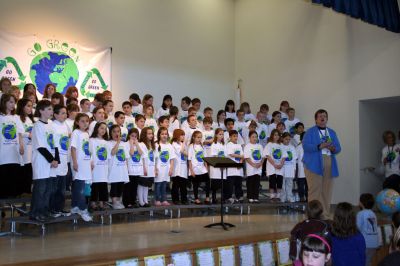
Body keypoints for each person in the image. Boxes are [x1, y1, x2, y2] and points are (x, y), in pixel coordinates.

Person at [303, 109, 341, 216]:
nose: (322, 118)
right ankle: (313, 214)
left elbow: (338, 148)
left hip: (329, 162)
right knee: (315, 190)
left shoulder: (332, 132)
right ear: (316, 120)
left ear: (327, 119)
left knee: (327, 190)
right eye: (320, 116)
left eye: (324, 116)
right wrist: (320, 146)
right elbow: (306, 146)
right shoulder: (310, 132)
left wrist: (333, 148)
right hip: (314, 163)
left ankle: (325, 213)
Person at [29, 100, 55, 222]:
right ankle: (35, 212)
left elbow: (53, 144)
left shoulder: (50, 124)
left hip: (50, 163)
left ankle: (44, 211)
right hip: (41, 162)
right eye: (49, 109)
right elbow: (40, 146)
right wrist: (51, 160)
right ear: (41, 111)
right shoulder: (37, 126)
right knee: (40, 189)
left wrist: (56, 160)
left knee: (48, 190)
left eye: (51, 109)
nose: (51, 111)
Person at [0, 94, 24, 199]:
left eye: (14, 102)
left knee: (13, 177)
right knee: (3, 178)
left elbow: (19, 133)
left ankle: (11, 203)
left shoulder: (16, 118)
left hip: (14, 152)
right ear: (4, 102)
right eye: (10, 102)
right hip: (3, 153)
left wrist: (21, 146)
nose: (12, 104)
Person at [70, 113, 93, 222]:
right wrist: (74, 162)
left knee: (80, 188)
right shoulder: (76, 133)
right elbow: (73, 148)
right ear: (77, 122)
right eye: (82, 121)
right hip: (78, 164)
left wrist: (90, 162)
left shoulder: (86, 134)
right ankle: (83, 209)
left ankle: (75, 206)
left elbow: (87, 150)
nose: (85, 123)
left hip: (85, 164)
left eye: (87, 121)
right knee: (80, 189)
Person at [49, 105, 71, 217]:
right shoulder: (52, 125)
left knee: (62, 189)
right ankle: (52, 209)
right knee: (54, 188)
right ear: (55, 114)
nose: (65, 115)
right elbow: (51, 143)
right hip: (56, 160)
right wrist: (54, 158)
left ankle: (59, 208)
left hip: (64, 159)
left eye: (65, 113)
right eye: (62, 113)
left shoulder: (65, 126)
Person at [330, 202, 366, 266]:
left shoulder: (331, 235)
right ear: (353, 218)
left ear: (336, 217)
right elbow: (362, 257)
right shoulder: (359, 236)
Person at [108, 125, 130, 209]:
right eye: (114, 131)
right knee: (114, 185)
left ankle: (118, 200)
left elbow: (126, 157)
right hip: (114, 169)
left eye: (118, 131)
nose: (116, 133)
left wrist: (127, 169)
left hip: (122, 169)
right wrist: (118, 142)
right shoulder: (109, 143)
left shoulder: (124, 144)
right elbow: (113, 152)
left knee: (120, 185)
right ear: (110, 133)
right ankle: (114, 201)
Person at [89, 122, 109, 211]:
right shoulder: (92, 140)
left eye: (105, 129)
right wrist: (91, 162)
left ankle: (102, 202)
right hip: (95, 166)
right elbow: (89, 152)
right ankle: (93, 202)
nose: (103, 130)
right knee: (95, 184)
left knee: (103, 184)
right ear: (96, 128)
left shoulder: (106, 142)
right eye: (101, 128)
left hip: (103, 166)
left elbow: (107, 155)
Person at [16, 98, 35, 195]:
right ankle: (21, 192)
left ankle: (27, 191)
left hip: (30, 148)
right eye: (28, 106)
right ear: (22, 106)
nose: (30, 108)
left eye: (31, 106)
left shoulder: (30, 119)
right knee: (23, 169)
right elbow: (19, 132)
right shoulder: (18, 118)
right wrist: (28, 135)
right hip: (23, 147)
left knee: (29, 169)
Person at [154, 127, 175, 206]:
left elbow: (172, 159)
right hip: (159, 169)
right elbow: (155, 159)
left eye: (166, 134)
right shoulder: (156, 145)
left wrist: (171, 168)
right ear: (159, 135)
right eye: (162, 134)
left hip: (166, 169)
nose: (164, 135)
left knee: (164, 184)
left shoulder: (170, 146)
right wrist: (155, 169)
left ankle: (164, 200)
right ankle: (157, 199)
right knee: (158, 185)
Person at [356, 193, 379, 266]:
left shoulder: (360, 213)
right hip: (374, 243)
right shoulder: (373, 214)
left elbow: (357, 228)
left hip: (365, 243)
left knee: (361, 261)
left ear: (361, 203)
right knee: (368, 262)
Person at [188, 130, 210, 204]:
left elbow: (204, 158)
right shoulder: (191, 146)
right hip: (195, 169)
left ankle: (207, 197)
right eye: (198, 137)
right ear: (194, 137)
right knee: (195, 184)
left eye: (200, 137)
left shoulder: (202, 146)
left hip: (202, 168)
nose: (199, 139)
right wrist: (191, 171)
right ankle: (196, 198)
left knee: (207, 182)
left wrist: (206, 168)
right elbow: (190, 160)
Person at [264, 129, 286, 201]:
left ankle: (278, 196)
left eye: (278, 135)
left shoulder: (281, 145)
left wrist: (281, 164)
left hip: (280, 166)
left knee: (279, 181)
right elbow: (267, 155)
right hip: (272, 166)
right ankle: (272, 196)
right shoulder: (269, 144)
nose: (276, 136)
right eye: (275, 135)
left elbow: (284, 156)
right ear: (272, 136)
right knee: (272, 182)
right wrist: (274, 164)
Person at [123, 128, 142, 208]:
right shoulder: (126, 144)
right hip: (129, 170)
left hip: (136, 170)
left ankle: (133, 201)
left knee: (134, 187)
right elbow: (131, 153)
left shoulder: (139, 144)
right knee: (128, 188)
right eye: (132, 136)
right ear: (129, 136)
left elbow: (140, 153)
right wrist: (131, 144)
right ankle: (127, 203)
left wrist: (136, 144)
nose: (134, 138)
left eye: (135, 136)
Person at [137, 127, 156, 207]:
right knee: (141, 184)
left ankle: (145, 200)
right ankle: (141, 201)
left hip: (151, 168)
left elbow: (153, 158)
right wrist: (144, 168)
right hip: (144, 168)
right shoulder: (141, 144)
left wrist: (154, 168)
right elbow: (142, 158)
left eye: (152, 133)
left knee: (147, 185)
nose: (151, 135)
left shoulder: (152, 145)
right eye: (149, 133)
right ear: (144, 135)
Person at [244, 130, 264, 203]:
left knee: (257, 183)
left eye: (256, 137)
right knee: (250, 183)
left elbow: (263, 157)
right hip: (251, 168)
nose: (254, 138)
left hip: (258, 168)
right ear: (249, 138)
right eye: (253, 137)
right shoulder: (247, 146)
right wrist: (253, 164)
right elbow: (246, 157)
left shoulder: (260, 146)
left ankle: (256, 197)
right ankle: (250, 197)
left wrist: (260, 163)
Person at [225, 130, 244, 203]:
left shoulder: (239, 145)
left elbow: (243, 156)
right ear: (230, 137)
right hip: (231, 169)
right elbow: (230, 154)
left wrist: (240, 163)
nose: (235, 137)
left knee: (238, 184)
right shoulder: (229, 144)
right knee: (230, 184)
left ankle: (238, 196)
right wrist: (240, 156)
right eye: (234, 136)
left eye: (236, 136)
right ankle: (228, 197)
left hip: (238, 169)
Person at [209, 128, 227, 204]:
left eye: (222, 134)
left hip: (223, 167)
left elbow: (225, 156)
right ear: (216, 135)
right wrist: (220, 165)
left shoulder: (224, 144)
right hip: (216, 167)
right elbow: (214, 156)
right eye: (220, 134)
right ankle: (214, 198)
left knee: (223, 184)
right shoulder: (214, 144)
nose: (221, 136)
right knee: (215, 185)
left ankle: (223, 198)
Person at [171, 129, 188, 205]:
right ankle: (175, 199)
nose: (183, 137)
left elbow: (187, 153)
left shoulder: (182, 144)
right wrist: (184, 143)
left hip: (183, 168)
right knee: (176, 185)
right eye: (181, 135)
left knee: (183, 185)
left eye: (184, 135)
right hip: (177, 168)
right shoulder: (174, 144)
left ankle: (184, 199)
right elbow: (181, 151)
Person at [281, 132, 297, 203]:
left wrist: (294, 169)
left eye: (289, 139)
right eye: (286, 139)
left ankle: (289, 197)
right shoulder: (280, 146)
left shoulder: (292, 147)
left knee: (289, 184)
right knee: (282, 185)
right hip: (282, 169)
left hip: (290, 168)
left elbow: (294, 160)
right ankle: (283, 198)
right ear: (282, 139)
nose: (287, 141)